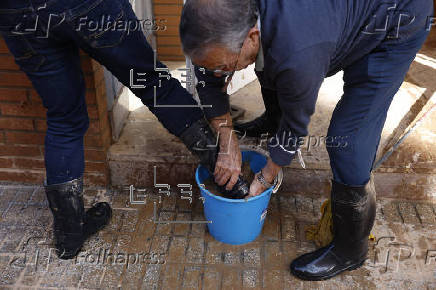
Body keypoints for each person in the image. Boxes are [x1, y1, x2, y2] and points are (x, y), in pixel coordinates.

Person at [179, 0, 433, 280]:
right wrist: (226, 141)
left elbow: (296, 125)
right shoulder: (222, 17)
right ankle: (271, 120)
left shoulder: (298, 51)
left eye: (225, 66)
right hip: (322, 21)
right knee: (267, 62)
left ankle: (351, 249)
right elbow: (209, 71)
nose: (222, 73)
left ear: (252, 35)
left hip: (394, 19)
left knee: (349, 136)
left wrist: (266, 177)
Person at [0, 0, 245, 260]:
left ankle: (69, 235)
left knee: (63, 118)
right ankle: (231, 182)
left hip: (18, 13)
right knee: (154, 84)